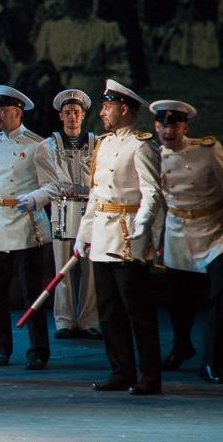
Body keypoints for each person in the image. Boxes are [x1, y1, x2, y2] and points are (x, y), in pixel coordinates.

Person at [74, 79, 163, 395]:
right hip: (102, 234)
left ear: (123, 109)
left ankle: (150, 375)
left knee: (137, 310)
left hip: (128, 236)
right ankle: (121, 370)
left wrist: (144, 223)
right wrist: (84, 234)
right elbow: (96, 194)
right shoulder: (103, 144)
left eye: (107, 106)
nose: (102, 112)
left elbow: (152, 192)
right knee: (109, 310)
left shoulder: (141, 146)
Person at [0, 85, 54, 370]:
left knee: (32, 292)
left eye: (4, 110)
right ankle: (0, 346)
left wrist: (35, 198)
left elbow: (53, 185)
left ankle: (38, 349)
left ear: (18, 113)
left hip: (26, 224)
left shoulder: (37, 145)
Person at [149, 100, 223, 384]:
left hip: (213, 231)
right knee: (179, 300)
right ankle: (181, 347)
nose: (168, 132)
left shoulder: (208, 150)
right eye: (164, 126)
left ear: (185, 127)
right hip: (178, 232)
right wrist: (154, 239)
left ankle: (213, 360)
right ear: (157, 126)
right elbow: (155, 201)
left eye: (175, 126)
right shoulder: (154, 156)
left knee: (219, 296)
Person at [36, 89, 101, 340]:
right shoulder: (48, 146)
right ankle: (64, 320)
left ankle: (89, 320)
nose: (72, 117)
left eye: (76, 112)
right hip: (61, 209)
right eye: (67, 113)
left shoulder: (97, 143)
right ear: (60, 115)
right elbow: (46, 180)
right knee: (62, 266)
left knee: (90, 268)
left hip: (90, 210)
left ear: (83, 115)